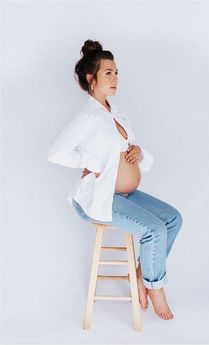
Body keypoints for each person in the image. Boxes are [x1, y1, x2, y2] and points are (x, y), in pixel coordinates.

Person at [48, 39, 183, 321]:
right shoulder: (86, 118)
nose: (115, 78)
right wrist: (89, 163)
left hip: (123, 195)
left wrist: (138, 151)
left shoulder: (117, 114)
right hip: (99, 197)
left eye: (117, 72)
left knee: (172, 219)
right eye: (108, 72)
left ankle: (141, 272)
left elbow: (135, 157)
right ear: (91, 79)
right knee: (155, 231)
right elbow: (56, 152)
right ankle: (154, 286)